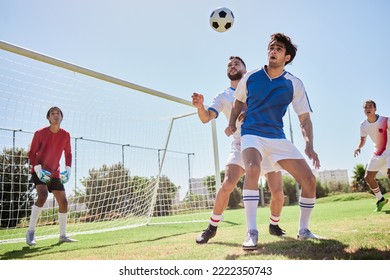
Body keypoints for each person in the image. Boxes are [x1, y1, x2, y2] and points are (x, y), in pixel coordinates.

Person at [226, 33, 321, 250]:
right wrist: (232, 123)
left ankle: (304, 230)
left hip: (277, 137)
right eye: (271, 47)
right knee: (252, 168)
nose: (273, 51)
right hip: (252, 133)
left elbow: (304, 118)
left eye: (278, 49)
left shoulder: (293, 84)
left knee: (309, 180)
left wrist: (309, 145)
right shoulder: (250, 77)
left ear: (287, 57)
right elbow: (238, 101)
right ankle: (251, 232)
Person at [192, 56, 286, 246]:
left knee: (277, 192)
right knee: (227, 183)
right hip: (241, 143)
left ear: (245, 68)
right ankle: (211, 228)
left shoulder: (256, 86)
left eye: (236, 63)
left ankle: (274, 225)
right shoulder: (222, 96)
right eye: (229, 64)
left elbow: (269, 107)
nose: (232, 66)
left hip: (265, 140)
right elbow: (206, 118)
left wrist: (247, 111)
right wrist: (200, 107)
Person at [26, 106, 77, 245]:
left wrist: (68, 169)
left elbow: (68, 153)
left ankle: (62, 235)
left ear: (61, 117)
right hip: (40, 170)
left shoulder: (65, 134)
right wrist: (37, 168)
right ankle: (30, 232)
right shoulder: (39, 133)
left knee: (64, 202)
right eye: (52, 114)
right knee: (42, 196)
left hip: (55, 172)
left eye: (58, 113)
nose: (55, 116)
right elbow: (31, 153)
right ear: (48, 117)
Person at [354, 100, 389, 211]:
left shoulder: (386, 120)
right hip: (378, 152)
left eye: (370, 107)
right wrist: (359, 147)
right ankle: (380, 199)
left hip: (389, 151)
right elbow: (362, 139)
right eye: (365, 107)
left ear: (375, 109)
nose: (368, 109)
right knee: (368, 177)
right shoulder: (363, 125)